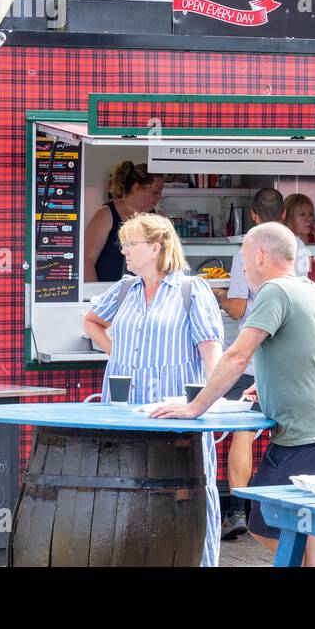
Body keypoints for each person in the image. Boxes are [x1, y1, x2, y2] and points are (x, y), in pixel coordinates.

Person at [153, 222, 315, 567]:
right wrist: (271, 381)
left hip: (304, 435)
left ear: (260, 255)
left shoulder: (274, 292)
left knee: (264, 521)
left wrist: (195, 407)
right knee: (313, 524)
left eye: (244, 260)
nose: (243, 269)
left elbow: (238, 355)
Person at [81, 213, 225, 566]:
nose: (124, 251)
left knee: (186, 486)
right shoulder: (126, 288)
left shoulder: (192, 290)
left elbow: (212, 354)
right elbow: (91, 321)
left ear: (156, 247)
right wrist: (125, 355)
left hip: (174, 409)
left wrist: (211, 404)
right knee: (127, 482)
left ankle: (196, 560)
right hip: (126, 406)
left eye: (132, 244)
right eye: (124, 244)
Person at [212, 186, 288, 540]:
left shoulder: (247, 252)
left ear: (254, 216)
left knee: (243, 435)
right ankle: (280, 511)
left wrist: (220, 296)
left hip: (252, 358)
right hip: (287, 358)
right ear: (284, 215)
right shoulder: (296, 250)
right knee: (287, 434)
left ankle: (237, 511)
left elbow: (240, 309)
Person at [83, 161, 164, 282]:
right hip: (108, 292)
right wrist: (93, 296)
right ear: (136, 188)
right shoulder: (106, 214)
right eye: (155, 192)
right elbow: (86, 260)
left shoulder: (153, 217)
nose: (159, 197)